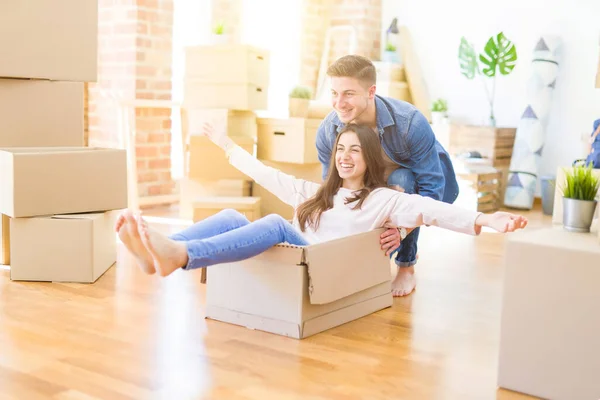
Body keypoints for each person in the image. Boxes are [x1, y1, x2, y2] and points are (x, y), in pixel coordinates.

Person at [115, 123, 527, 281]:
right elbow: (263, 173)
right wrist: (224, 142)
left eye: (355, 150)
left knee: (278, 225)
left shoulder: (382, 199)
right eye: (340, 148)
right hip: (292, 256)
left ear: (368, 160)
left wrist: (486, 219)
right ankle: (158, 252)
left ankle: (180, 253)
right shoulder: (315, 194)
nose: (345, 155)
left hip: (323, 267)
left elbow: (434, 210)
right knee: (229, 214)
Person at [315, 54, 460, 296]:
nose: (339, 103)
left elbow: (431, 189)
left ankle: (406, 267)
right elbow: (332, 189)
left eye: (348, 93)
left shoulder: (410, 123)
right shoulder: (328, 132)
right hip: (373, 181)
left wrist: (402, 231)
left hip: (419, 184)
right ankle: (365, 266)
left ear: (371, 92)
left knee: (401, 180)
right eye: (334, 93)